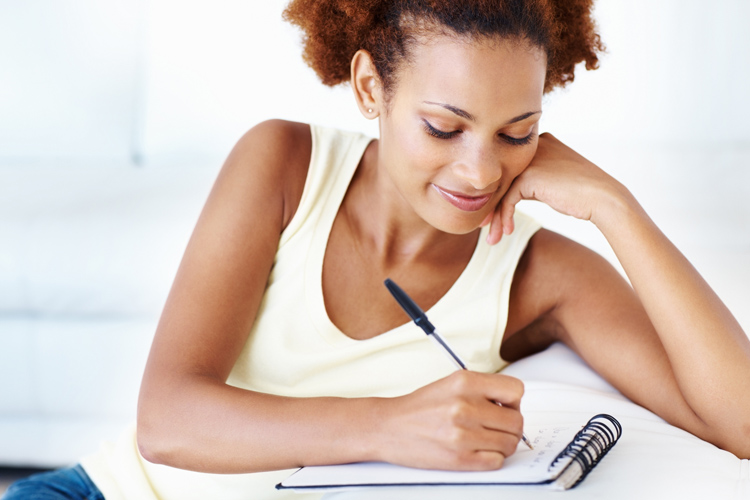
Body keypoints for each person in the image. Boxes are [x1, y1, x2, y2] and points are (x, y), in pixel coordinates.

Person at [5, 0, 750, 499]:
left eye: (516, 132)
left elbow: (740, 426)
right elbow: (168, 422)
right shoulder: (284, 166)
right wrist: (392, 426)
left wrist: (618, 209)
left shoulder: (537, 271)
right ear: (371, 88)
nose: (481, 170)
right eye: (443, 127)